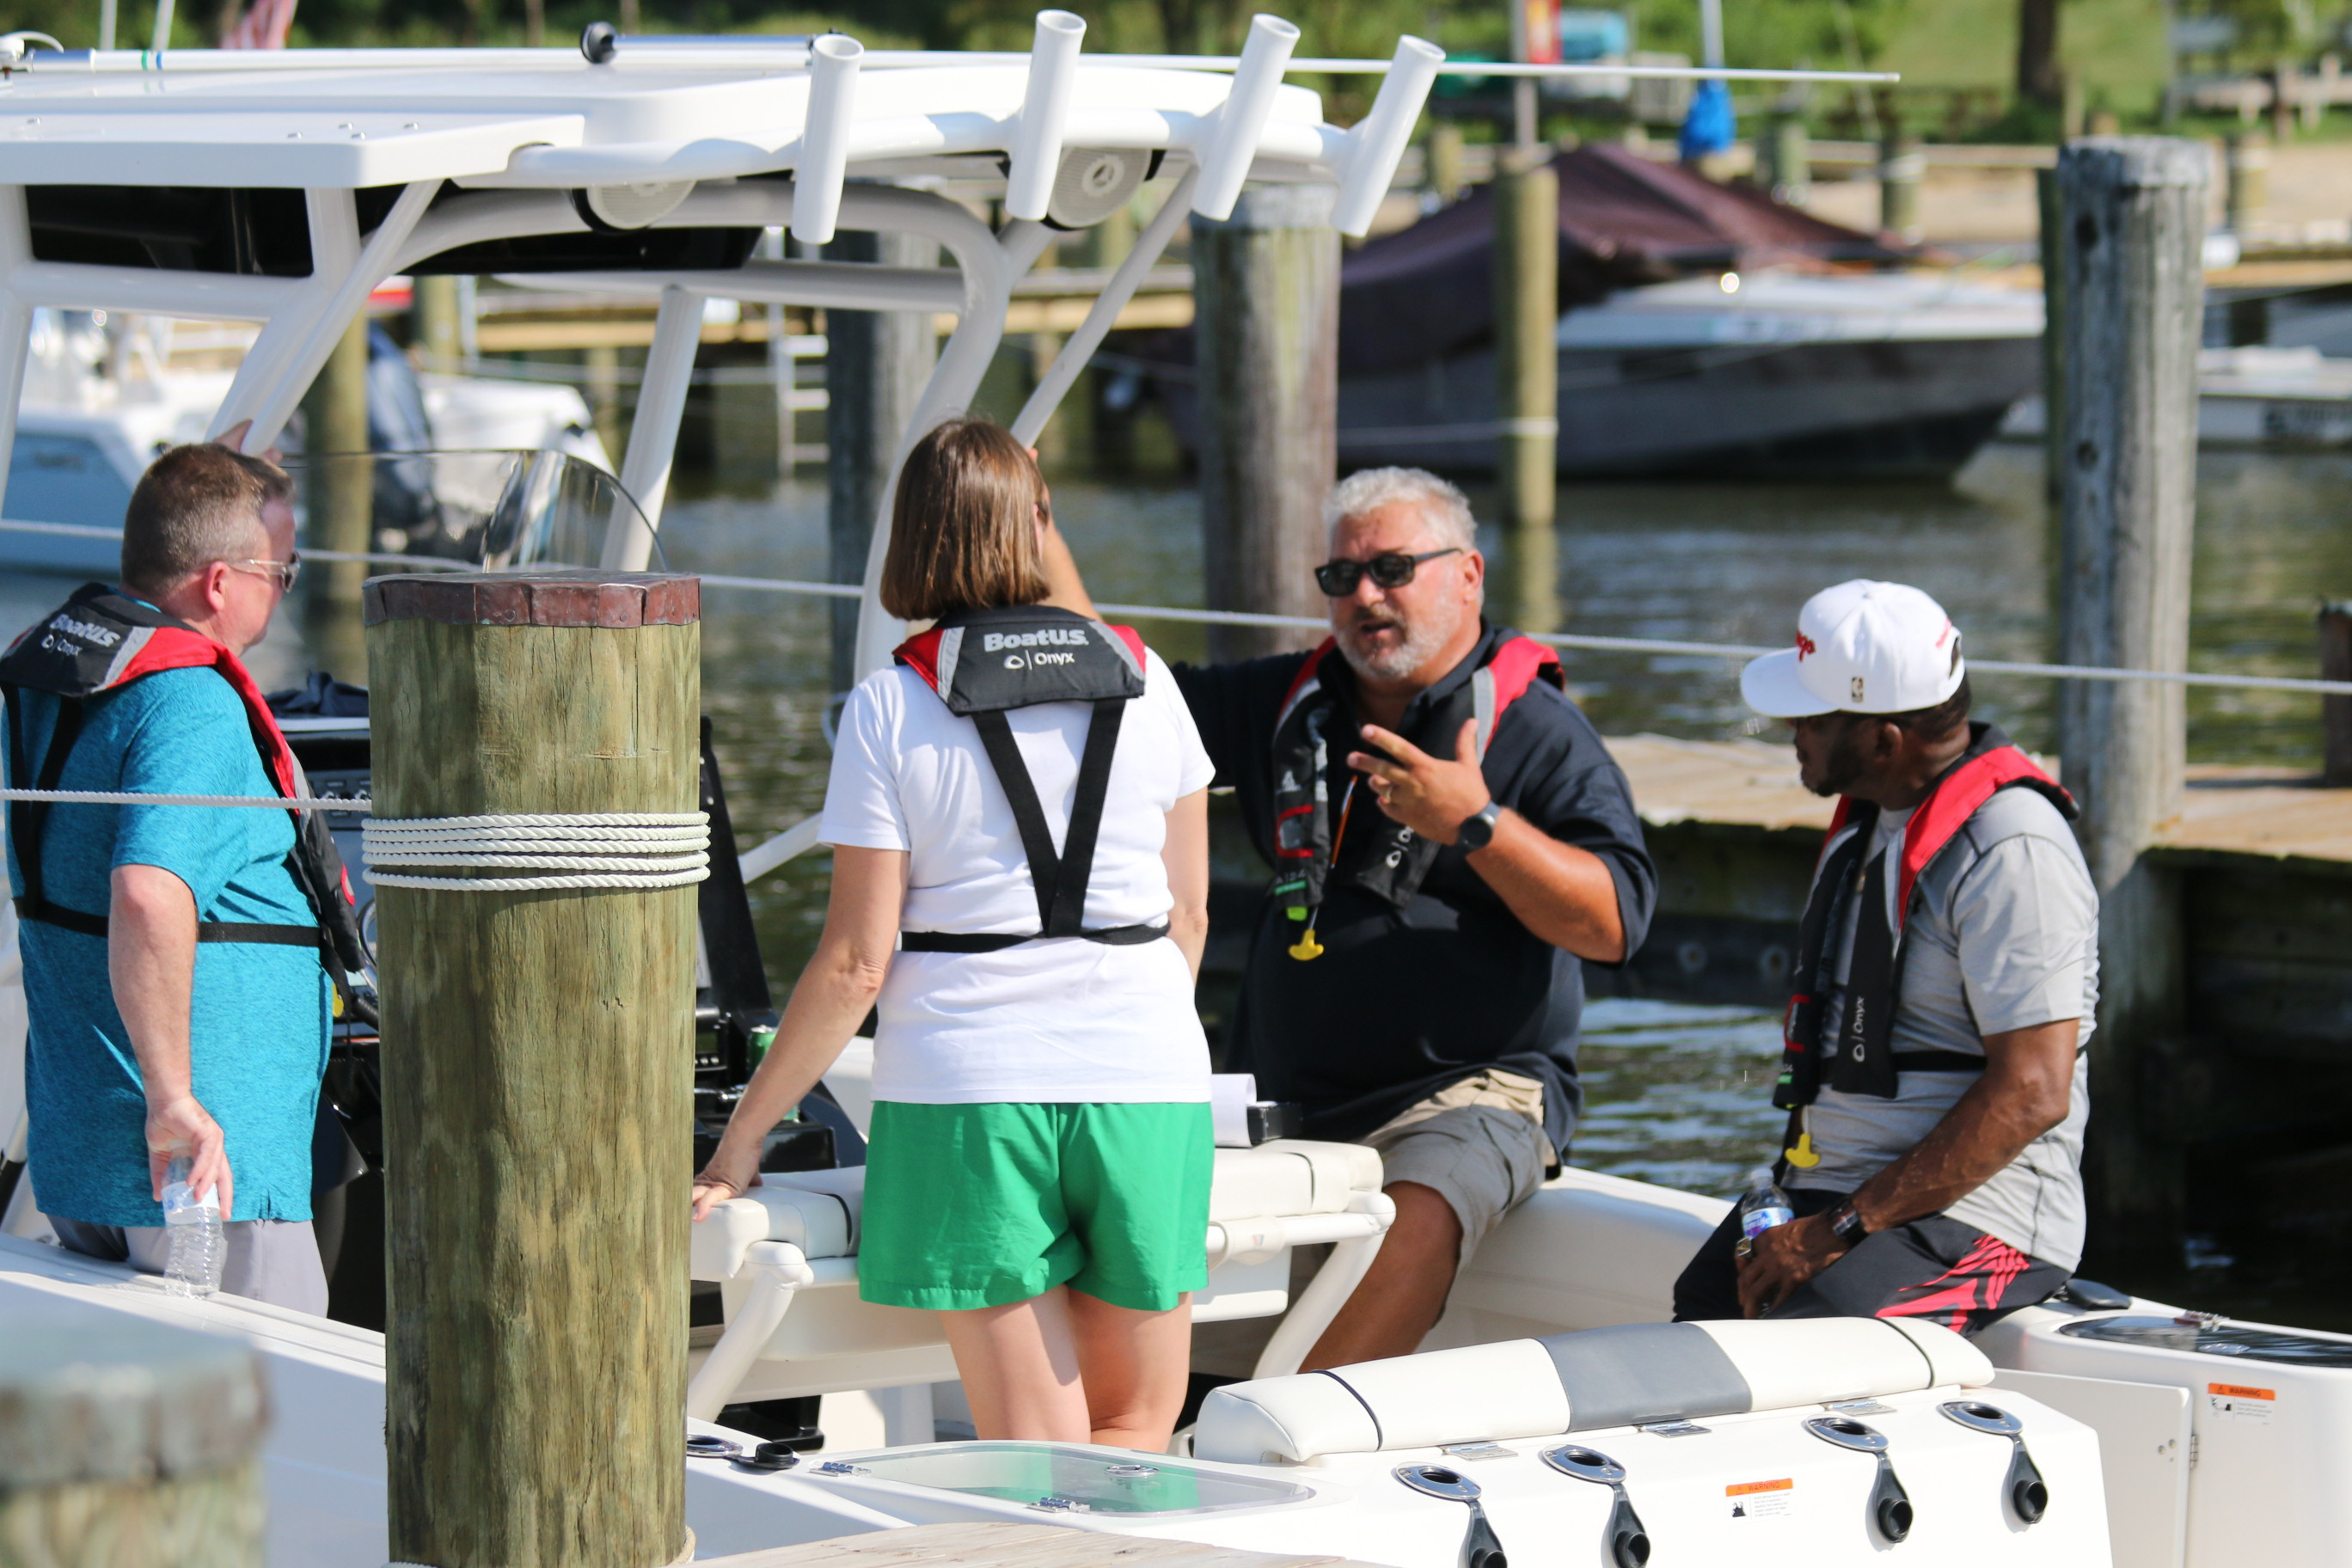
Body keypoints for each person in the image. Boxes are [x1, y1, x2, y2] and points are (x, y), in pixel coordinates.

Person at [1050, 466, 1657, 1369]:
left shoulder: (1539, 732)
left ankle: (1285, 1431)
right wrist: (1038, 527)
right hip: (1280, 1098)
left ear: (1469, 575)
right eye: (1343, 578)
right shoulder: (1283, 702)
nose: (1366, 597)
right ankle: (1152, 1426)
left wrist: (1476, 825)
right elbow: (1109, 682)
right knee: (1100, 1185)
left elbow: (1615, 922)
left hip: (1469, 1093)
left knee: (1416, 1213)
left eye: (1394, 570)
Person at [692, 418, 1215, 1450]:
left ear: (913, 538)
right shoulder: (1149, 683)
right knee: (1137, 1425)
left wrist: (742, 1140)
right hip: (1148, 1077)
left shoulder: (893, 706)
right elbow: (1188, 915)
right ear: (1041, 526)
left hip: (971, 1091)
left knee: (1039, 1447)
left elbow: (856, 962)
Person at [1671, 579, 2095, 1334]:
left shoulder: (2013, 849)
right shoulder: (1876, 821)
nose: (1789, 728)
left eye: (1809, 716)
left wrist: (1839, 1230)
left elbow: (2034, 1091)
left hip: (1987, 1219)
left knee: (1808, 1331)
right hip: (1843, 1193)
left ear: (1882, 740)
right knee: (1706, 1302)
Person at [2, 436, 349, 1314]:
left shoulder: (53, 678)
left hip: (85, 1142)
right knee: (268, 1409)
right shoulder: (189, 702)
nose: (284, 588)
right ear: (221, 583)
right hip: (199, 1169)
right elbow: (148, 890)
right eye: (281, 570)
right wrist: (173, 1101)